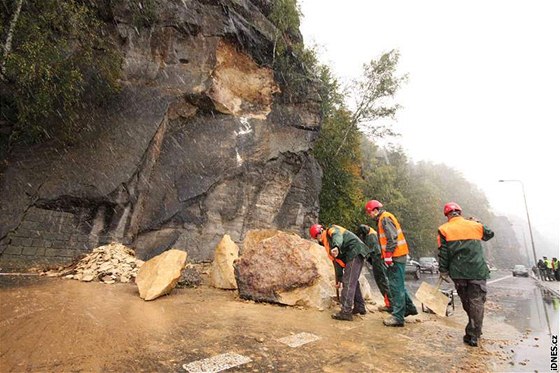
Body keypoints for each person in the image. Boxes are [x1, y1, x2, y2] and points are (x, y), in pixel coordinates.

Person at [437, 202, 494, 347]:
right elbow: (489, 234)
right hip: (477, 271)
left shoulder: (444, 229)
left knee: (467, 302)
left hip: (459, 273)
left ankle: (473, 331)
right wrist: (477, 222)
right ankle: (474, 333)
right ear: (460, 212)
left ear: (447, 215)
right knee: (477, 301)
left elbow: (444, 253)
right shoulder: (475, 225)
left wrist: (443, 270)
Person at [364, 200, 418, 327]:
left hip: (396, 256)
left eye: (369, 212)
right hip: (397, 255)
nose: (369, 215)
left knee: (395, 286)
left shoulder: (385, 218)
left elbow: (392, 238)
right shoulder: (384, 218)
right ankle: (409, 308)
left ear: (375, 210)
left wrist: (388, 255)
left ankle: (398, 317)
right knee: (398, 284)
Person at [309, 223, 370, 321]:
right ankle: (359, 306)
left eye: (318, 235)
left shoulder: (331, 230)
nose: (318, 238)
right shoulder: (327, 244)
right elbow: (336, 262)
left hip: (354, 251)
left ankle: (346, 312)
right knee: (352, 281)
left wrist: (336, 246)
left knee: (349, 282)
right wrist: (339, 278)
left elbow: (337, 236)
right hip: (355, 253)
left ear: (320, 232)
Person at [356, 224, 392, 312]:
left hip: (377, 259)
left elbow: (370, 252)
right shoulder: (372, 233)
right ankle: (391, 303)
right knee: (383, 281)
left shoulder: (371, 236)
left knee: (382, 281)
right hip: (378, 259)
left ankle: (390, 304)